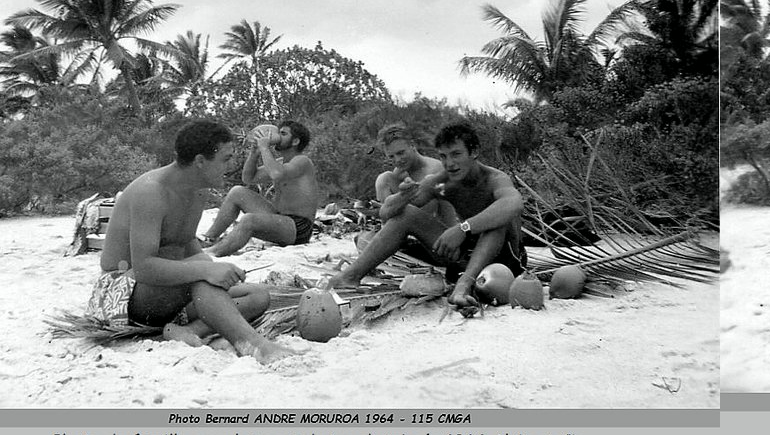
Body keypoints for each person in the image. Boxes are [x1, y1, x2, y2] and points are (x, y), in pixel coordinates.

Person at [86, 120, 289, 364]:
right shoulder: (151, 192)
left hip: (165, 291)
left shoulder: (198, 190)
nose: (231, 165)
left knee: (258, 296)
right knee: (201, 274)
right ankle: (254, 345)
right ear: (201, 161)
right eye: (225, 159)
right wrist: (206, 268)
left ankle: (189, 330)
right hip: (122, 293)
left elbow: (185, 240)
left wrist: (214, 268)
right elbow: (144, 267)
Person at [328, 121, 527, 316]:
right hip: (464, 256)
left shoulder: (494, 179)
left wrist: (463, 228)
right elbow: (386, 212)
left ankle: (463, 286)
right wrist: (403, 196)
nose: (450, 163)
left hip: (504, 265)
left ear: (473, 152)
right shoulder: (443, 181)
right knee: (406, 213)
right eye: (443, 156)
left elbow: (513, 204)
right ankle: (350, 277)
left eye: (456, 154)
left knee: (496, 221)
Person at [201, 120, 319, 257]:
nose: (278, 136)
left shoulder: (302, 161)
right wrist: (254, 153)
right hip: (280, 218)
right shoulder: (281, 163)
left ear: (295, 141)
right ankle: (209, 239)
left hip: (298, 227)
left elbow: (276, 173)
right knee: (237, 192)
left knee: (249, 220)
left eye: (283, 133)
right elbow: (248, 178)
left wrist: (264, 148)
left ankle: (212, 253)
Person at [373, 123, 444, 222]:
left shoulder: (434, 170)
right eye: (391, 156)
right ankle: (386, 225)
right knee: (383, 178)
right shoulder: (400, 171)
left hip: (431, 227)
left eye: (401, 153)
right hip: (402, 224)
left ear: (412, 146)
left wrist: (388, 208)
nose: (397, 160)